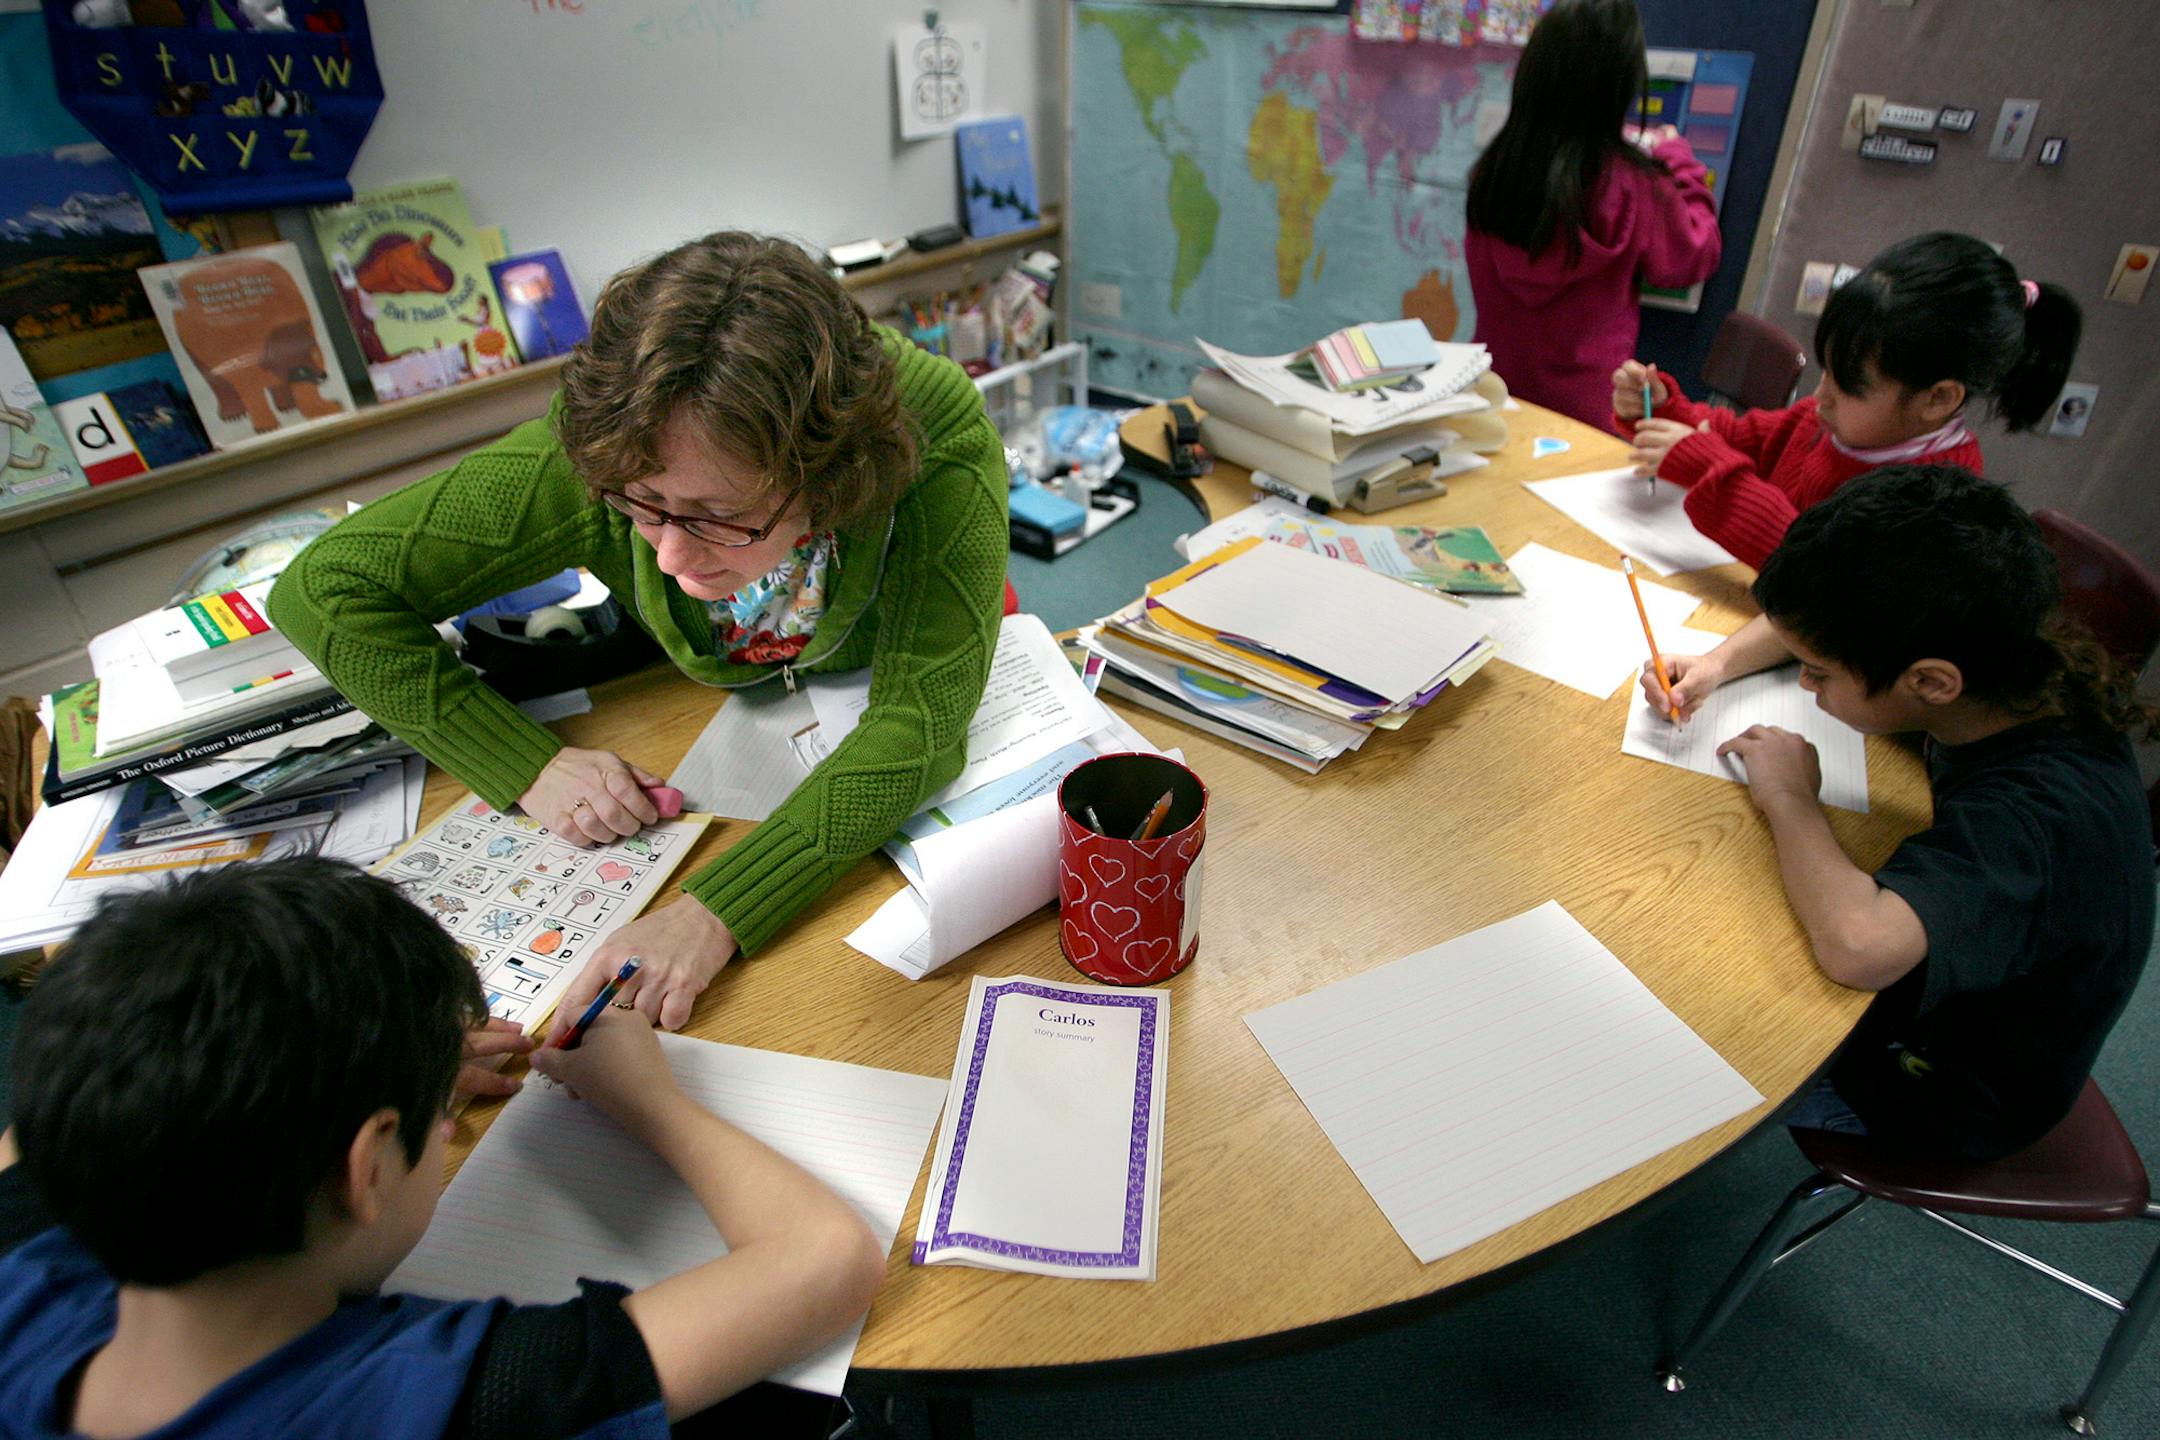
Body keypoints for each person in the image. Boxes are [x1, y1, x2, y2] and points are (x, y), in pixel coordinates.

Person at [269, 231, 1009, 1032]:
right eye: (641, 507)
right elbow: (323, 589)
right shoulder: (613, 442)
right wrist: (528, 765)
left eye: (721, 517)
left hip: (882, 685)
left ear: (829, 477)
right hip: (705, 722)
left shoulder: (933, 438)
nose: (673, 556)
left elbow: (921, 722)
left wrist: (710, 914)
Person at [0, 857, 887, 1438]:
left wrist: (384, 1068)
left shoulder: (25, 1280)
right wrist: (649, 1100)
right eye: (435, 1121)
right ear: (365, 1170)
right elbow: (824, 1259)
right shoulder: (461, 1401)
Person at [1642, 467, 2153, 1160]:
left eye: (1818, 673)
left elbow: (1861, 946)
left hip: (1947, 1090)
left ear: (1931, 683)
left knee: (1678, 1021)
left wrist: (1789, 797)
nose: (1805, 681)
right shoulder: (2004, 660)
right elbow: (1820, 621)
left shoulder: (2032, 819)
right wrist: (1718, 662)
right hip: (1960, 984)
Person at [1613, 230, 2082, 569]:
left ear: (1937, 399)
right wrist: (1664, 409)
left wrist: (1703, 464)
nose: (1821, 397)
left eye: (1848, 385)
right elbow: (1737, 437)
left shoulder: (1936, 497)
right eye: (1827, 372)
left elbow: (1811, 568)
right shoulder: (1830, 421)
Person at [1464, 0, 1723, 427]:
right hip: (1588, 418)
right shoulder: (1635, 184)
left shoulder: (1494, 170)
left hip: (1494, 399)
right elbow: (1694, 255)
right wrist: (1677, 157)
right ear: (1620, 86)